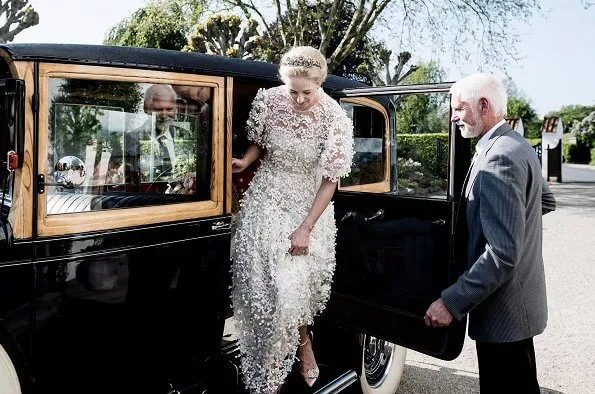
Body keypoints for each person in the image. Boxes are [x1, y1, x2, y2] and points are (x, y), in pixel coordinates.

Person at [230, 46, 354, 393]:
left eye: (306, 92)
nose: (298, 99)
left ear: (320, 83)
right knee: (260, 285)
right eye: (292, 90)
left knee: (290, 289)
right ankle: (267, 373)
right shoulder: (268, 100)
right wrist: (244, 161)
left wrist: (305, 227)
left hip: (308, 204)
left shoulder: (335, 118)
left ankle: (302, 345)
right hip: (266, 197)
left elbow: (331, 179)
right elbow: (261, 144)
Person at [424, 73, 556, 393]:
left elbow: (501, 255)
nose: (453, 117)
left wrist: (450, 302)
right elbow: (546, 201)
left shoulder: (499, 158)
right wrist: (513, 222)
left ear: (483, 106)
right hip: (517, 308)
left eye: (458, 109)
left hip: (504, 314)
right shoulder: (516, 144)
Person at [123, 84, 178, 192]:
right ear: (145, 107)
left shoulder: (185, 136)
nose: (164, 114)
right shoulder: (131, 138)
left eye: (169, 109)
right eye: (158, 109)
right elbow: (130, 183)